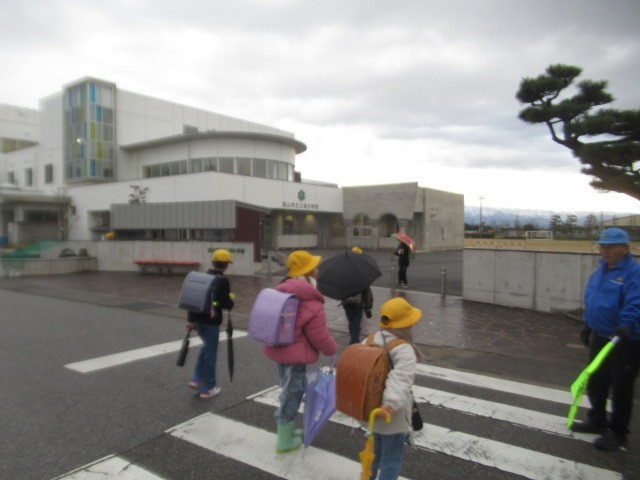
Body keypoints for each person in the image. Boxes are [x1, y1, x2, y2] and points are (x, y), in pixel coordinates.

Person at [570, 228, 640, 451]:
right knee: (597, 381)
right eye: (602, 246)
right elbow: (593, 299)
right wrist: (587, 324)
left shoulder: (634, 273)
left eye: (610, 247)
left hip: (624, 340)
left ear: (625, 249)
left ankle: (618, 432)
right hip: (601, 336)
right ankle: (597, 420)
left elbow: (635, 302)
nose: (605, 251)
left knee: (621, 387)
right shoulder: (601, 270)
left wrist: (625, 325)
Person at [263, 250, 338, 453]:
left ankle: (287, 431)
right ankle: (284, 439)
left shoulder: (281, 290)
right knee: (293, 392)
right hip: (296, 357)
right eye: (314, 267)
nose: (317, 270)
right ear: (308, 272)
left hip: (279, 351)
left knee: (287, 388)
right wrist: (332, 349)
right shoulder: (311, 300)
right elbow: (319, 335)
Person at [367, 297, 424, 480]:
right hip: (390, 413)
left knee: (373, 453)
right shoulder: (403, 348)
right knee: (391, 459)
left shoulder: (371, 338)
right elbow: (400, 379)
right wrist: (390, 404)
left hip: (371, 408)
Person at [186, 249, 235, 399]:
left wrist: (191, 321)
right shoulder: (222, 281)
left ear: (212, 262)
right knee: (210, 354)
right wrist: (231, 299)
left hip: (198, 320)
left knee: (206, 348)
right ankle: (208, 387)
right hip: (211, 322)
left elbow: (193, 298)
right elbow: (226, 303)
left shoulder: (203, 276)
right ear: (226, 265)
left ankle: (196, 378)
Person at [341, 246, 374, 344]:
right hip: (357, 303)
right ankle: (354, 341)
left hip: (346, 302)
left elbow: (340, 286)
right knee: (355, 322)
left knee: (351, 321)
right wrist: (368, 308)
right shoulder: (362, 271)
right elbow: (367, 292)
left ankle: (354, 338)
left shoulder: (344, 269)